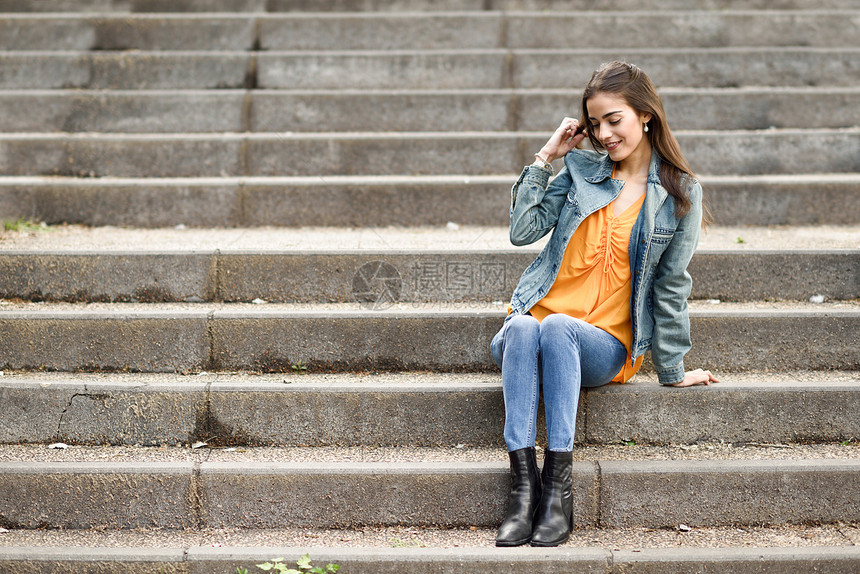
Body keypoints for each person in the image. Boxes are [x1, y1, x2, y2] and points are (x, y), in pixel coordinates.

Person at [490, 61, 719, 548]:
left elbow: (672, 284)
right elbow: (522, 232)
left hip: (604, 342)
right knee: (532, 326)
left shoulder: (679, 194)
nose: (604, 133)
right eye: (595, 124)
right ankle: (523, 489)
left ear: (646, 116)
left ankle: (557, 490)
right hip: (531, 327)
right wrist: (546, 157)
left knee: (557, 329)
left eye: (614, 119)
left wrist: (672, 367)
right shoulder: (580, 171)